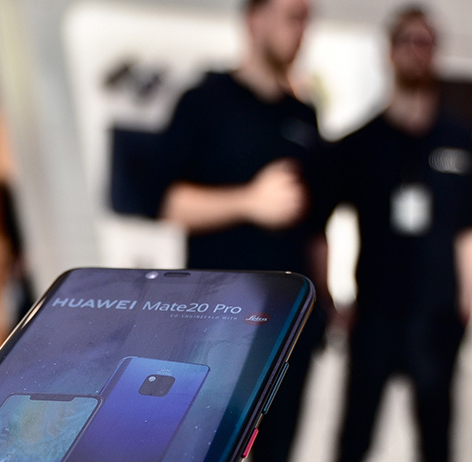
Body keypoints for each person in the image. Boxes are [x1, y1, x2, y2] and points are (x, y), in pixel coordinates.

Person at [153, 0, 334, 460]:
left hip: (287, 327)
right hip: (217, 325)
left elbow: (315, 225)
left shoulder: (304, 115)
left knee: (279, 449)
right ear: (255, 19)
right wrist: (249, 201)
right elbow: (168, 202)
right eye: (291, 16)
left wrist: (325, 300)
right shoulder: (203, 102)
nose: (301, 29)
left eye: (306, 19)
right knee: (207, 449)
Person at [330, 7, 472, 462]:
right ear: (389, 52)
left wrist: (466, 306)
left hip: (436, 319)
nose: (417, 52)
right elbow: (322, 221)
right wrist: (331, 298)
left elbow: (471, 231)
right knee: (354, 438)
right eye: (408, 41)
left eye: (426, 42)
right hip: (375, 314)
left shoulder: (460, 141)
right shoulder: (361, 143)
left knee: (436, 440)